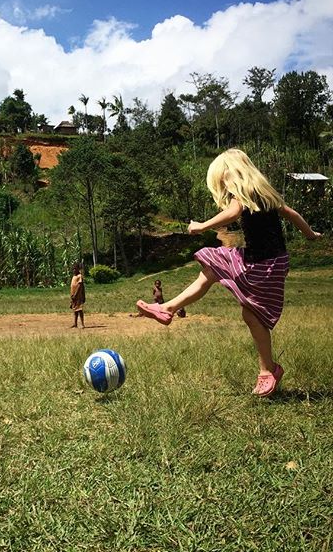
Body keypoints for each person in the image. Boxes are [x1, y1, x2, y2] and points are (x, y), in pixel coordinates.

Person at [137, 148, 320, 397]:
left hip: (266, 266)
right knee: (214, 269)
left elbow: (233, 213)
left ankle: (269, 370)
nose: (223, 185)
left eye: (223, 179)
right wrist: (311, 235)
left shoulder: (242, 194)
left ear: (232, 174)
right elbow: (293, 215)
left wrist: (202, 226)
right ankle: (167, 309)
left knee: (253, 314)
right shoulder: (265, 195)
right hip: (260, 260)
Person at [70, 264, 86, 328]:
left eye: (75, 269)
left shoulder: (79, 276)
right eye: (73, 269)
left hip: (78, 296)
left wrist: (76, 294)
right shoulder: (74, 277)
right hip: (73, 295)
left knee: (79, 309)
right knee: (75, 309)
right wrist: (72, 295)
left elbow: (80, 286)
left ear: (78, 269)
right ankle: (75, 323)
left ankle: (82, 324)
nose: (74, 270)